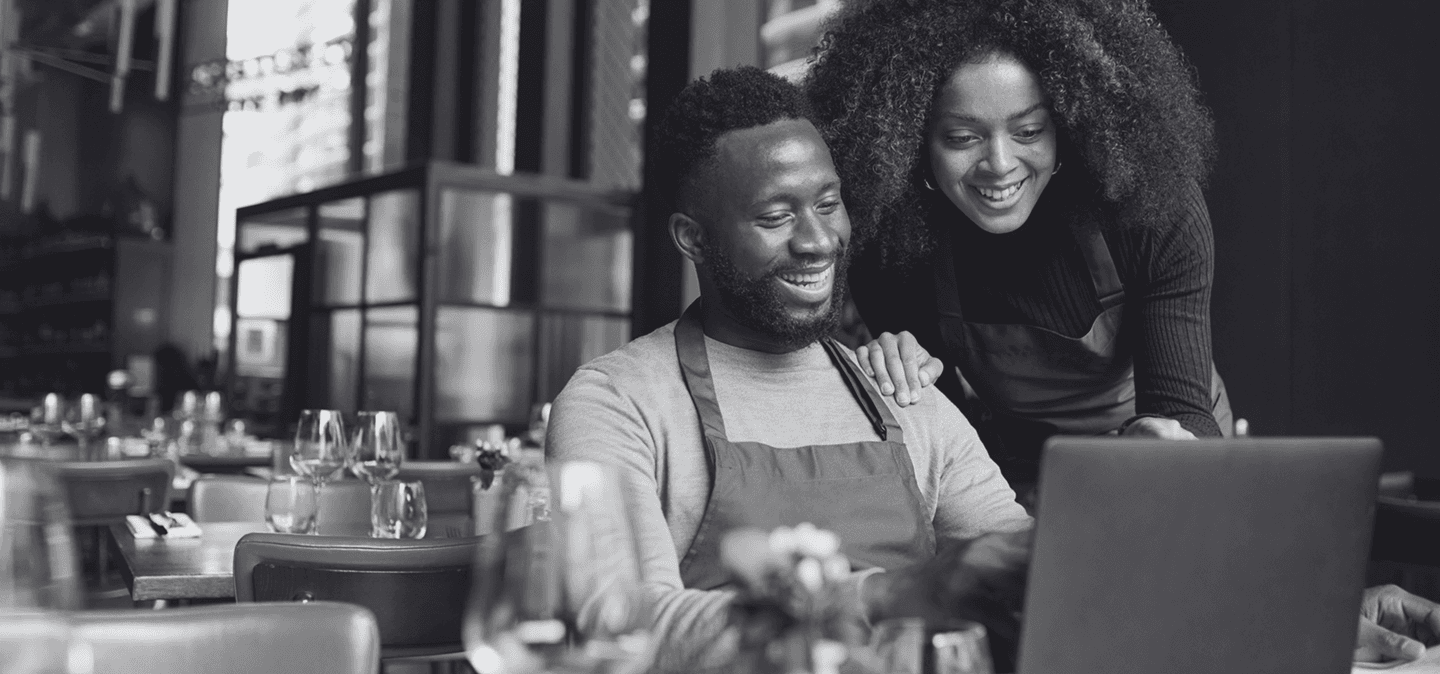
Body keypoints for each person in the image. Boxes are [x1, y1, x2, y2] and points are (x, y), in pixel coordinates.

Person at [546, 66, 1033, 672]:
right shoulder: (617, 401)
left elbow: (1026, 576)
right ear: (691, 238)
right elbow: (618, 621)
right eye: (776, 218)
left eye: (828, 205)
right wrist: (883, 597)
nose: (817, 241)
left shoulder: (904, 391)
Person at [804, 0, 1232, 485]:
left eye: (1028, 131)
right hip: (1020, 470)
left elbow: (1186, 415)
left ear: (1066, 125)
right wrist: (900, 376)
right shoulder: (892, 242)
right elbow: (948, 433)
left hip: (1166, 458)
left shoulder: (1147, 206)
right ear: (910, 139)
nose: (1000, 164)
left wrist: (1156, 447)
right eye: (963, 138)